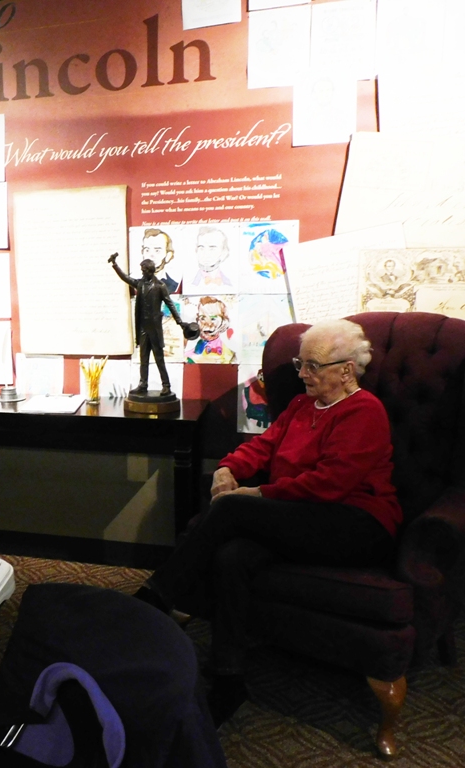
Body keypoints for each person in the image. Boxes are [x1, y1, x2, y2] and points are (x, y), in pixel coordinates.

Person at [134, 319, 402, 726]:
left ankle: (155, 600)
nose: (303, 374)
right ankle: (229, 676)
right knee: (233, 556)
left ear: (347, 370)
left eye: (313, 366)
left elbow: (331, 484)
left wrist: (257, 494)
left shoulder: (365, 411)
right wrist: (227, 470)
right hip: (302, 515)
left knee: (231, 510)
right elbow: (263, 446)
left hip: (357, 523)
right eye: (300, 364)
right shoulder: (301, 406)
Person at [109, 254, 184, 396]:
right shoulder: (140, 284)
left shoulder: (160, 286)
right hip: (143, 327)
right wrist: (115, 265)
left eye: (143, 270)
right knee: (143, 359)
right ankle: (143, 384)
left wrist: (180, 322)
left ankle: (166, 385)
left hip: (154, 329)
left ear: (150, 271)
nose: (142, 273)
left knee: (159, 359)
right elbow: (125, 278)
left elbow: (170, 304)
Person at [188, 296, 235, 363]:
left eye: (213, 319)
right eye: (202, 318)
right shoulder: (190, 354)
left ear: (223, 321)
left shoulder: (229, 355)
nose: (208, 323)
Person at [140, 227, 180, 292]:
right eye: (147, 250)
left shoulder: (172, 285)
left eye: (157, 251)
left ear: (168, 254)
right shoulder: (138, 283)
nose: (151, 255)